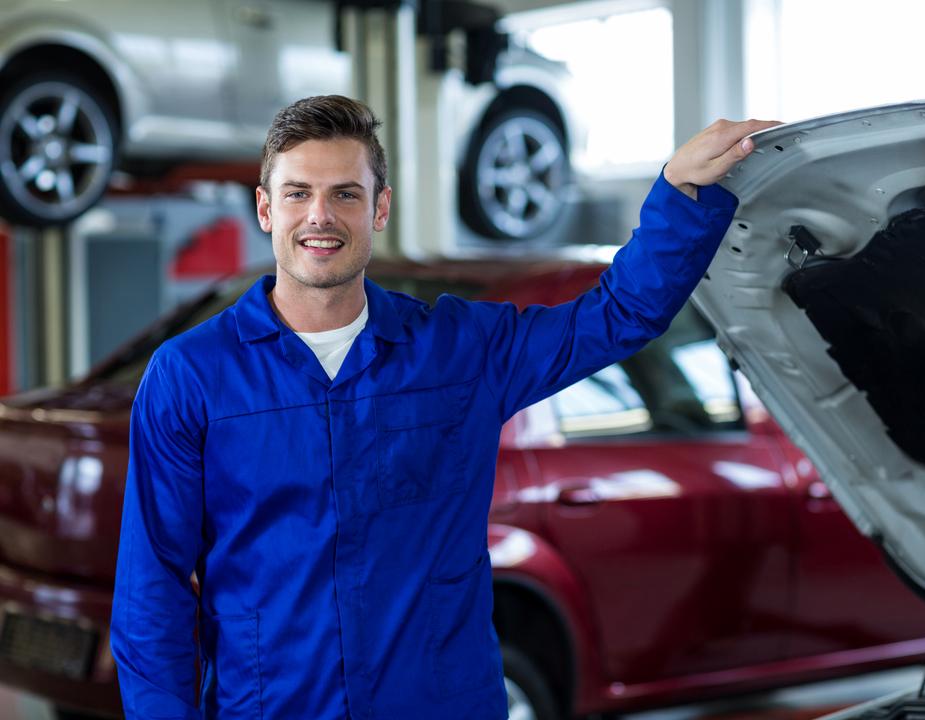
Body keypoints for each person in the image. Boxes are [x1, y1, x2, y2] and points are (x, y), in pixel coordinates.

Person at [110, 94, 778, 720]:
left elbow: (617, 315)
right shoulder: (191, 376)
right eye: (298, 194)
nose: (321, 216)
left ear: (379, 208)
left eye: (345, 193)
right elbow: (152, 593)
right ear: (265, 209)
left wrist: (682, 194)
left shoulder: (458, 350)